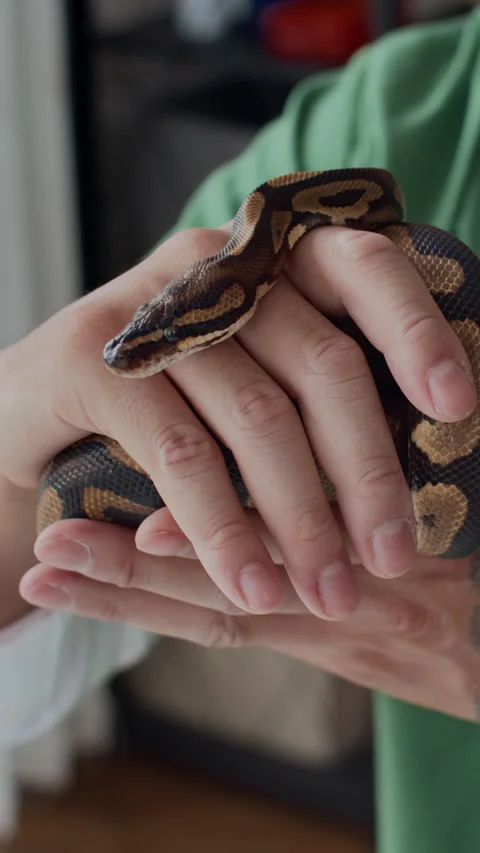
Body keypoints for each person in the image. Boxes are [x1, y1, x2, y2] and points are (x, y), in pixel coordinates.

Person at [1, 5, 480, 852]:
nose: (153, 346)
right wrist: (11, 443)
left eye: (174, 333)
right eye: (169, 328)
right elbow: (38, 600)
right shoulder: (399, 109)